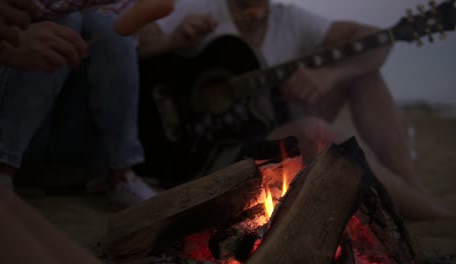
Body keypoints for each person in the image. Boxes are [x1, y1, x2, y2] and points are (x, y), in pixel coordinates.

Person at [136, 0, 455, 220]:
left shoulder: (289, 20)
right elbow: (137, 42)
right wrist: (174, 41)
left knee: (363, 74)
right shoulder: (203, 8)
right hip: (203, 154)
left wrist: (330, 74)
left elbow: (374, 39)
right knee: (314, 131)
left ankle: (414, 192)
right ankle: (438, 214)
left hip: (264, 132)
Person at [0, 0, 156, 209]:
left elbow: (130, 41)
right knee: (66, 22)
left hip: (69, 137)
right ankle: (0, 172)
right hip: (3, 120)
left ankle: (121, 176)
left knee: (105, 22)